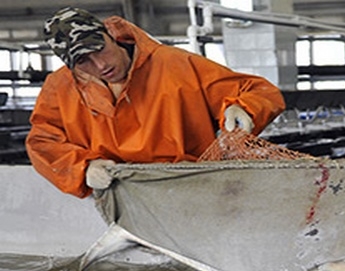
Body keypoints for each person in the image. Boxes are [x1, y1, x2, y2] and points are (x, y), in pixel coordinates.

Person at [26, 7, 285, 198]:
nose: (101, 65)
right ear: (70, 65)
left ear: (110, 35)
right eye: (84, 62)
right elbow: (42, 142)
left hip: (192, 189)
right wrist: (82, 168)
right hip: (118, 196)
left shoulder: (175, 65)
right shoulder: (59, 86)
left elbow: (259, 90)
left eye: (100, 49)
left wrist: (243, 106)